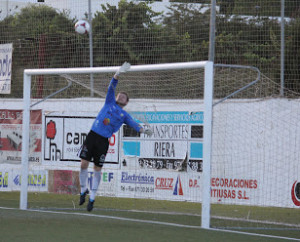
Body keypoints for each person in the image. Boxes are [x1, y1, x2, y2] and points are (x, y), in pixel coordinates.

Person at [78, 62, 152, 212]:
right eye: (120, 94)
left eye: (124, 96)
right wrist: (117, 74)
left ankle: (92, 198)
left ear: (126, 102)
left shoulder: (124, 115)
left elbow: (134, 124)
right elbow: (111, 87)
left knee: (97, 169)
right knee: (83, 165)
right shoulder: (109, 101)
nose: (121, 96)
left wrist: (144, 130)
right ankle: (82, 190)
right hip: (92, 136)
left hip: (103, 141)